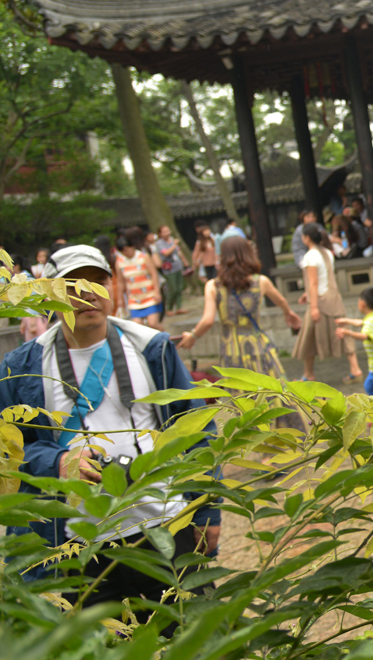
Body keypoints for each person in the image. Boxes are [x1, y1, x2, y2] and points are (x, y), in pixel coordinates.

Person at [0, 245, 222, 608]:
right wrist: (56, 461)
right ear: (49, 294)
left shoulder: (152, 349)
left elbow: (195, 430)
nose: (89, 294)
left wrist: (207, 511)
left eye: (99, 282)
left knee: (189, 634)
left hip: (163, 523)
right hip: (75, 541)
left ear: (114, 288)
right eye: (72, 284)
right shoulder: (23, 368)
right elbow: (9, 452)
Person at [180, 235, 304, 431]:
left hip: (232, 348)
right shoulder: (260, 281)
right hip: (259, 346)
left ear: (223, 257)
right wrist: (288, 314)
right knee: (273, 390)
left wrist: (193, 337)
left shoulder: (213, 286)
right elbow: (281, 301)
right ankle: (287, 435)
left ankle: (259, 445)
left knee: (243, 397)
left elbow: (207, 320)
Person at [293, 223, 362, 383]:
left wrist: (314, 306)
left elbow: (314, 283)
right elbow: (323, 277)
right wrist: (307, 294)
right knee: (343, 332)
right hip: (333, 298)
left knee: (309, 336)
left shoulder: (310, 256)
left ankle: (308, 374)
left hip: (321, 301)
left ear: (307, 238)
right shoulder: (326, 252)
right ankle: (355, 369)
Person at [336, 287, 373, 398]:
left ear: (362, 303)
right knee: (369, 387)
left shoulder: (370, 322)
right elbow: (361, 323)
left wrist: (346, 332)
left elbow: (364, 336)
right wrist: (346, 320)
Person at [114, 226, 164, 330]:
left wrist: (157, 291)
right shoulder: (120, 262)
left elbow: (153, 274)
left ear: (132, 247)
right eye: (123, 252)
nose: (126, 253)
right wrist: (120, 299)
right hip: (134, 298)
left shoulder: (143, 256)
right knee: (138, 326)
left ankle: (166, 339)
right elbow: (120, 281)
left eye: (127, 250)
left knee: (153, 323)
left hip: (149, 295)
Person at [153, 225, 187, 316]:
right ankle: (169, 308)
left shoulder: (171, 239)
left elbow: (178, 251)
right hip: (169, 268)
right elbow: (166, 253)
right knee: (173, 288)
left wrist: (184, 261)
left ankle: (179, 307)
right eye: (164, 231)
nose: (167, 232)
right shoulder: (159, 243)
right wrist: (174, 244)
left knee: (179, 287)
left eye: (168, 230)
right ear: (160, 234)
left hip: (177, 265)